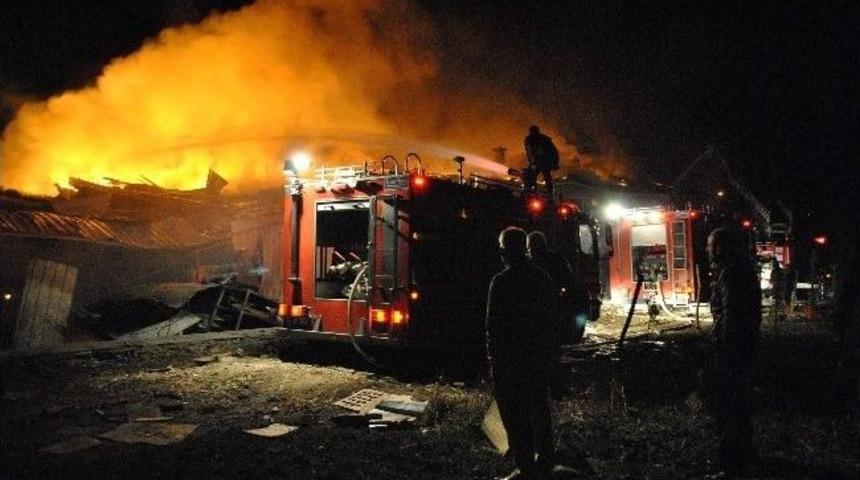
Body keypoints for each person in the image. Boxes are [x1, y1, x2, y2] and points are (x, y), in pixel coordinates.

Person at [486, 227, 557, 479]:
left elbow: (493, 327)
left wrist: (494, 361)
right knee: (538, 409)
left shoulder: (501, 282)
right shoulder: (542, 278)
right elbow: (551, 323)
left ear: (505, 251)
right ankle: (545, 461)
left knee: (514, 414)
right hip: (537, 358)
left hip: (511, 361)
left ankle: (524, 466)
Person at [703, 226, 762, 477]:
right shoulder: (740, 271)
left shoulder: (731, 275)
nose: (707, 250)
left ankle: (732, 466)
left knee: (728, 406)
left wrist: (722, 350)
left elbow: (732, 316)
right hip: (743, 348)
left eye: (710, 245)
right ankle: (745, 454)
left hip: (732, 352)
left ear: (719, 248)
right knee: (739, 404)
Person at [526, 231, 572, 398]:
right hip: (552, 310)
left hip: (533, 315)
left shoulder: (529, 264)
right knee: (552, 351)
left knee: (535, 352)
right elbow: (567, 280)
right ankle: (556, 388)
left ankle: (540, 387)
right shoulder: (556, 259)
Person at [524, 125, 559, 197]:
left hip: (540, 161)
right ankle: (549, 194)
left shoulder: (530, 139)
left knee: (530, 175)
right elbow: (554, 152)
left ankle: (532, 191)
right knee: (546, 177)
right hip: (545, 161)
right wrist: (555, 163)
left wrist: (532, 163)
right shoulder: (544, 138)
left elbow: (529, 152)